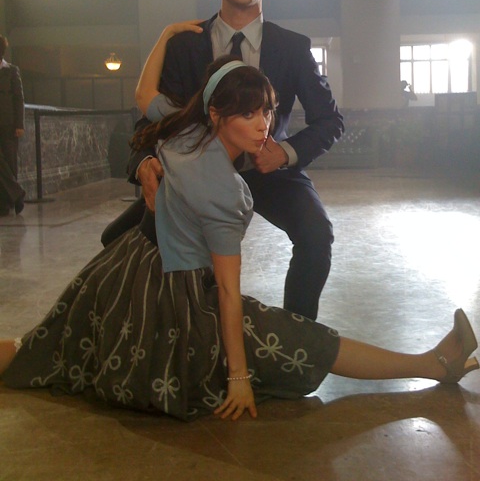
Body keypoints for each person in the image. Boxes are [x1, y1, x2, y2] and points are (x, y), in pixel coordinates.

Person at [1, 23, 478, 423]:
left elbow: (144, 94)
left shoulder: (188, 126)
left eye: (267, 110)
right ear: (217, 113)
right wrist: (238, 378)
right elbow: (228, 294)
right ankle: (433, 364)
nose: (263, 124)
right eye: (247, 114)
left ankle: (433, 362)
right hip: (174, 298)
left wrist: (165, 34)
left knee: (40, 348)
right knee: (301, 341)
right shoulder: (225, 193)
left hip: (124, 272)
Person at [101, 0, 345, 321]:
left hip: (267, 170)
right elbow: (149, 115)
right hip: (196, 173)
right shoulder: (185, 44)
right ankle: (184, 329)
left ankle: (296, 337)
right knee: (117, 240)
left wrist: (285, 152)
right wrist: (144, 162)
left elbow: (330, 119)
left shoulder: (293, 47)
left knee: (317, 236)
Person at [0, 35, 25, 216]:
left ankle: (8, 202)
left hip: (8, 124)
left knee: (9, 162)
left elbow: (18, 98)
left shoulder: (11, 71)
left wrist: (19, 124)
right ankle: (16, 194)